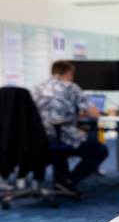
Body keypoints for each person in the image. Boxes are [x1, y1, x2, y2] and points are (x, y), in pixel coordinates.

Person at [29, 61, 108, 197]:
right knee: (99, 150)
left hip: (38, 138)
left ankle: (60, 179)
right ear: (69, 73)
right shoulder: (71, 87)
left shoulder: (36, 88)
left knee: (61, 150)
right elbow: (93, 113)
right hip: (63, 136)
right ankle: (68, 181)